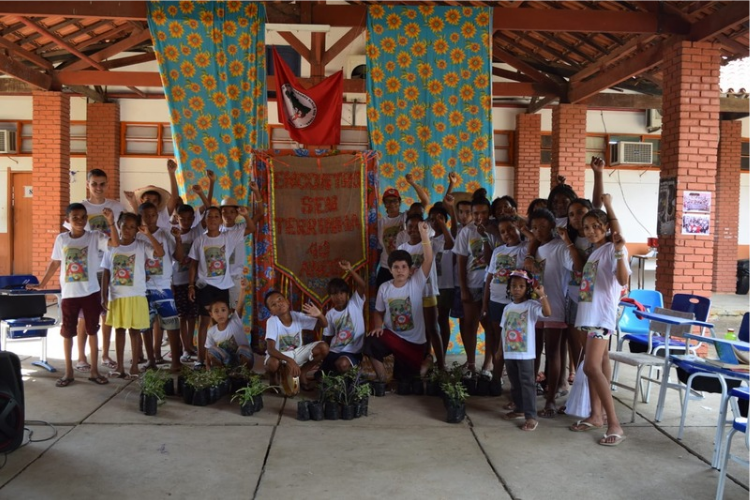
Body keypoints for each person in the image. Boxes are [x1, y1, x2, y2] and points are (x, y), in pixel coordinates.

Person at [29, 204, 117, 387]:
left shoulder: (94, 237)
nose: (79, 220)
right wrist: (42, 283)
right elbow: (55, 263)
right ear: (67, 220)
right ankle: (69, 372)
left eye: (83, 217)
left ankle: (94, 371)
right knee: (68, 332)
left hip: (91, 292)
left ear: (86, 220)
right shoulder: (61, 239)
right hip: (69, 294)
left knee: (92, 330)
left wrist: (111, 223)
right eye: (75, 217)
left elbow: (114, 243)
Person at [569, 206, 630, 446]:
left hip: (601, 318)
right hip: (587, 316)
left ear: (606, 227)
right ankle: (596, 416)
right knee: (595, 366)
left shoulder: (613, 249)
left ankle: (614, 423)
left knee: (591, 367)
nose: (591, 230)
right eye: (587, 227)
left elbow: (623, 280)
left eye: (596, 226)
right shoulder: (594, 253)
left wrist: (618, 251)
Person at [524, 208, 583, 417]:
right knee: (531, 352)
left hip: (555, 308)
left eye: (543, 226)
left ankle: (550, 400)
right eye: (535, 227)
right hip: (534, 307)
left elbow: (577, 266)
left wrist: (567, 241)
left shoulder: (559, 247)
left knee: (553, 353)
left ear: (552, 226)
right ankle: (528, 397)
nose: (538, 230)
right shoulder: (535, 248)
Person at [364, 221, 434, 384]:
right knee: (370, 342)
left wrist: (424, 236)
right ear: (390, 270)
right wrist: (377, 327)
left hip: (414, 342)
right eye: (396, 267)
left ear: (410, 270)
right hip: (393, 337)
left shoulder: (416, 282)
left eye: (404, 267)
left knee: (410, 380)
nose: (400, 270)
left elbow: (428, 260)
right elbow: (378, 312)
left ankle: (427, 360)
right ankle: (383, 381)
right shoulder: (384, 288)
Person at [188, 206, 256, 369]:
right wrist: (191, 285)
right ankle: (201, 359)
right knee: (204, 322)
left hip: (223, 286)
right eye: (209, 216)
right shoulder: (199, 240)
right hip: (205, 286)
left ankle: (225, 355)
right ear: (204, 220)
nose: (212, 219)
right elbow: (193, 264)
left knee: (224, 320)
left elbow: (252, 228)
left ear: (220, 220)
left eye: (216, 216)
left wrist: (246, 216)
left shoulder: (229, 237)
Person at [71, 169, 125, 373]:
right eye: (94, 184)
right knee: (85, 314)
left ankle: (104, 354)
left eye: (102, 184)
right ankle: (82, 356)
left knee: (106, 312)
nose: (98, 188)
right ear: (87, 184)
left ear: (107, 184)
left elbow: (122, 233)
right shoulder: (81, 208)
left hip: (110, 265)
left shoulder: (116, 207)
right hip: (87, 269)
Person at [101, 212, 164, 379]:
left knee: (135, 332)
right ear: (119, 225)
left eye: (131, 227)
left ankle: (134, 366)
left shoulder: (141, 245)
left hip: (136, 295)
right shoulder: (111, 246)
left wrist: (148, 233)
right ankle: (120, 367)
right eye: (124, 226)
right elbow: (106, 272)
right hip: (116, 296)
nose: (127, 230)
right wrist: (103, 295)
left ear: (137, 229)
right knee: (119, 330)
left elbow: (160, 253)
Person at [498, 270, 551, 431]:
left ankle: (531, 416)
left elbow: (548, 313)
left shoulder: (531, 306)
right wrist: (500, 351)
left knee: (527, 384)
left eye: (521, 286)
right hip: (509, 353)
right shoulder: (507, 308)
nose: (517, 289)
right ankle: (519, 409)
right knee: (515, 383)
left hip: (525, 353)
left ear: (527, 288)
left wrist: (542, 295)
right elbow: (503, 330)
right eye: (513, 286)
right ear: (509, 288)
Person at [453, 197, 496, 378]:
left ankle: (488, 364)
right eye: (475, 213)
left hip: (492, 286)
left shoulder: (496, 230)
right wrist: (463, 288)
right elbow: (461, 262)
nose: (479, 216)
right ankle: (470, 363)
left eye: (483, 212)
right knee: (470, 324)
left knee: (490, 326)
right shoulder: (466, 232)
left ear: (490, 212)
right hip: (472, 284)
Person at [482, 215, 527, 384]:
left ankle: (511, 377)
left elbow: (533, 239)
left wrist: (524, 228)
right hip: (495, 301)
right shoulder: (498, 251)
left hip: (513, 304)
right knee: (496, 337)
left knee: (510, 340)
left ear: (518, 229)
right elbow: (489, 278)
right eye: (502, 231)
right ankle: (497, 375)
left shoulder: (524, 248)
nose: (507, 233)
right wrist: (485, 303)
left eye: (510, 229)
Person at [138, 201, 183, 372]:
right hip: (143, 287)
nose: (149, 219)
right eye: (145, 215)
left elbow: (178, 257)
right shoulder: (137, 235)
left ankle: (175, 361)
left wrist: (178, 239)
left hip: (164, 285)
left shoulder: (165, 235)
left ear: (157, 216)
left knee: (171, 324)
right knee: (145, 325)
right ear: (140, 216)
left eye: (152, 215)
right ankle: (151, 360)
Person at [398, 214, 443, 370]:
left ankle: (442, 366)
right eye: (410, 226)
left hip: (428, 293)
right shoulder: (402, 249)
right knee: (416, 331)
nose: (413, 230)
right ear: (406, 228)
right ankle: (420, 362)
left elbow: (448, 243)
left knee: (432, 328)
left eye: (417, 227)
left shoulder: (431, 243)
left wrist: (426, 233)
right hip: (410, 296)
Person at [264, 291, 329, 388]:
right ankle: (274, 376)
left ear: (287, 302)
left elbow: (324, 325)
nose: (279, 304)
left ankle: (303, 373)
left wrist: (319, 315)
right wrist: (290, 361)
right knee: (273, 364)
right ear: (271, 312)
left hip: (296, 353)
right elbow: (271, 349)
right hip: (280, 356)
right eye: (274, 304)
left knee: (323, 347)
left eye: (280, 299)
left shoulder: (297, 316)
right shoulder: (272, 321)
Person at [376, 175, 430, 288]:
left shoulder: (406, 217)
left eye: (395, 201)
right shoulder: (380, 222)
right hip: (386, 265)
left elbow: (425, 201)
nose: (391, 204)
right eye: (388, 201)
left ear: (399, 202)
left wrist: (413, 183)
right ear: (384, 204)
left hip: (402, 267)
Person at [220, 180, 263, 308]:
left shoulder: (241, 228)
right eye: (225, 212)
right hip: (219, 276)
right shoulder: (215, 230)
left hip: (235, 276)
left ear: (237, 213)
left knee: (235, 309)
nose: (228, 215)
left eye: (232, 212)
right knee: (218, 309)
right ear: (220, 213)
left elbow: (260, 213)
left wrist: (256, 191)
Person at [320, 260, 367, 374]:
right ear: (330, 296)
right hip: (334, 351)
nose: (339, 297)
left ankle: (350, 379)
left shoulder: (355, 303)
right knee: (320, 379)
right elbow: (328, 336)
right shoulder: (330, 314)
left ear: (347, 294)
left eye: (342, 293)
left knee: (342, 364)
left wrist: (350, 270)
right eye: (334, 294)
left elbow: (362, 285)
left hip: (352, 352)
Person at [205, 277, 254, 370]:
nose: (220, 314)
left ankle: (243, 374)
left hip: (243, 358)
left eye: (223, 310)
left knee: (243, 349)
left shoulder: (235, 321)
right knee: (212, 351)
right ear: (211, 314)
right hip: (227, 360)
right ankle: (223, 373)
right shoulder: (211, 331)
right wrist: (207, 365)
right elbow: (208, 349)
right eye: (216, 311)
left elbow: (240, 305)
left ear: (229, 311)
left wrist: (243, 288)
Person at [428, 203, 454, 368]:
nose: (436, 222)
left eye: (440, 218)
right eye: (433, 219)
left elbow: (451, 245)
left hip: (445, 286)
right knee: (430, 322)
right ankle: (430, 356)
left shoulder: (449, 235)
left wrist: (444, 225)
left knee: (442, 320)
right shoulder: (428, 238)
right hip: (430, 286)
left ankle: (442, 358)